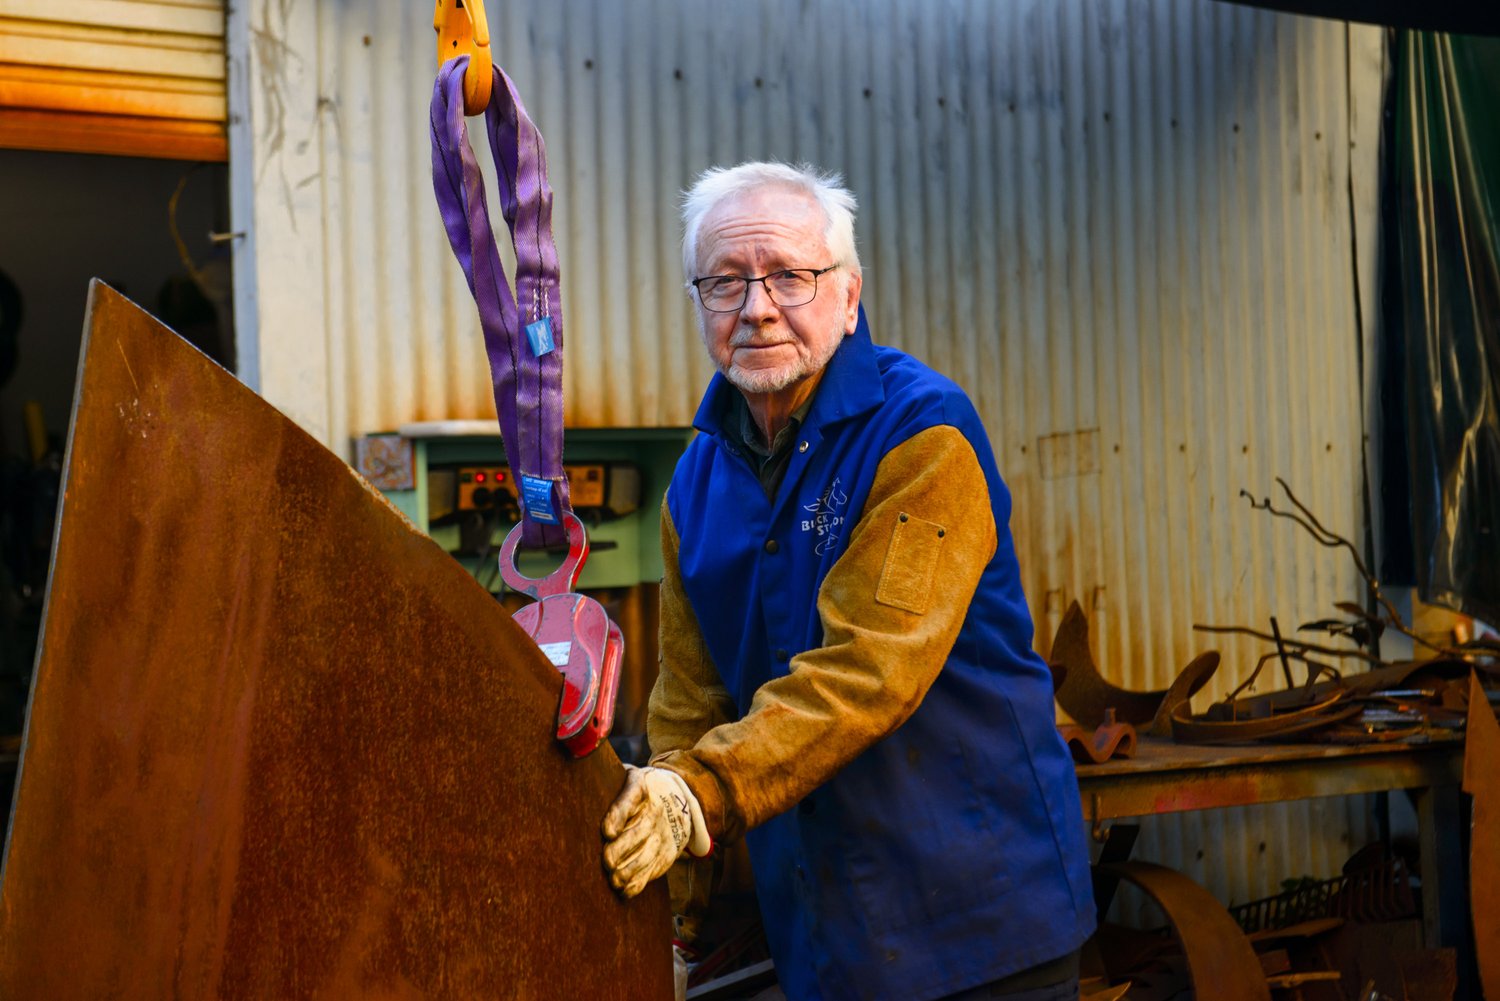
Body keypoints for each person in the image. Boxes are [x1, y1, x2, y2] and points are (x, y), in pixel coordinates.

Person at [601, 161, 1096, 1001]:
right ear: (700, 306)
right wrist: (673, 914)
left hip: (980, 928)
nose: (757, 307)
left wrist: (702, 792)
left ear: (849, 294)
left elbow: (871, 668)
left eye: (790, 276)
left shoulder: (923, 436)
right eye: (725, 283)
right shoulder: (694, 484)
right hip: (827, 939)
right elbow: (689, 701)